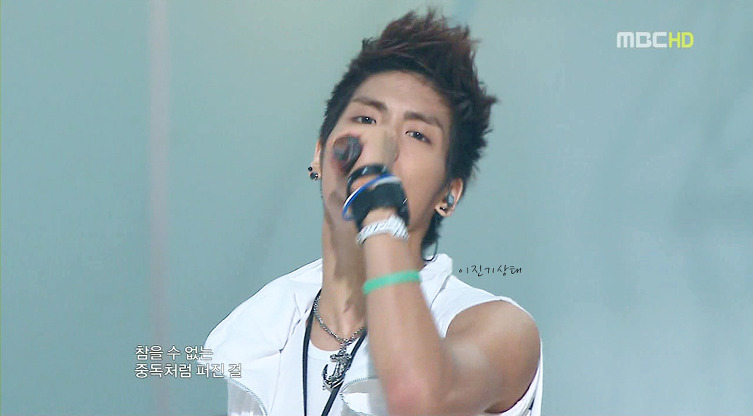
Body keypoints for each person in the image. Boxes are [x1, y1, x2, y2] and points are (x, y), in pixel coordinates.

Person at [200, 9, 543, 416]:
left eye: (417, 134)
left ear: (448, 195)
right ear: (320, 154)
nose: (382, 143)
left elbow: (419, 397)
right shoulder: (264, 332)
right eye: (365, 119)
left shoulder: (499, 328)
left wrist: (377, 197)